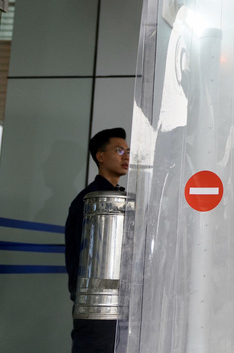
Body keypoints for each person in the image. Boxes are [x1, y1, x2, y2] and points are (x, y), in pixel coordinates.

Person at [64, 127, 130, 353]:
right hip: (98, 311)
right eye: (119, 150)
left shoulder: (119, 197)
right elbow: (83, 259)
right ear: (100, 156)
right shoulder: (90, 200)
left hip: (117, 306)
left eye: (128, 151)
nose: (126, 156)